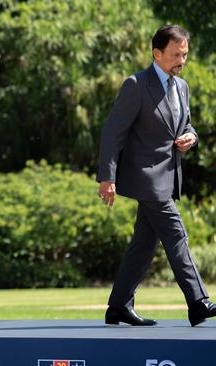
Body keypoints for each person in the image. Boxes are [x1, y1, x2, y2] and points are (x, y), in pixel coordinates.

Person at [97, 24, 216, 327]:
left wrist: (191, 137)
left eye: (185, 54)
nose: (182, 60)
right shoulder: (135, 85)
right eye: (176, 54)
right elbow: (113, 133)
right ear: (157, 53)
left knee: (144, 244)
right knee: (176, 234)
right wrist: (107, 177)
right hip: (145, 178)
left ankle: (118, 306)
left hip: (168, 176)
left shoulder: (182, 86)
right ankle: (198, 302)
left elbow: (185, 125)